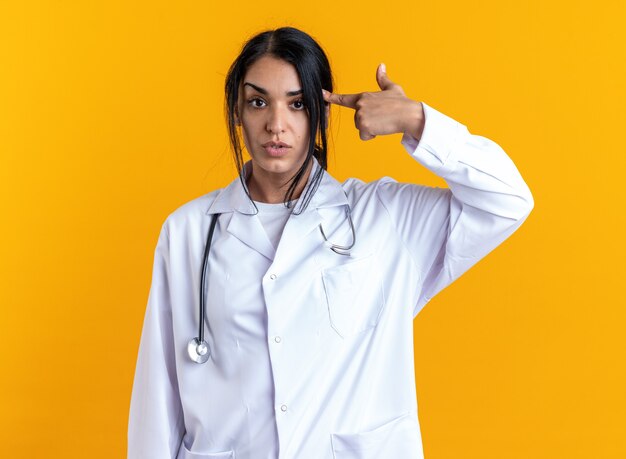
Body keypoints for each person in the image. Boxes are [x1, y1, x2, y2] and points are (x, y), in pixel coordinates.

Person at [128, 26, 534, 459]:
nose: (276, 125)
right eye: (258, 102)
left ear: (320, 113)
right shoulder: (188, 231)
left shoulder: (385, 219)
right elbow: (159, 397)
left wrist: (417, 120)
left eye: (298, 104)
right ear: (237, 112)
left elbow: (507, 200)